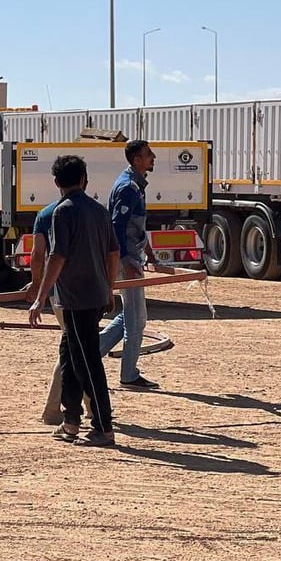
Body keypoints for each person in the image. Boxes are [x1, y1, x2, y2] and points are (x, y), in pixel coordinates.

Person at [28, 155, 119, 447]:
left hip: (78, 299)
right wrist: (109, 289)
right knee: (69, 358)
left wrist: (41, 296)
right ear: (84, 179)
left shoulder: (62, 211)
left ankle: (103, 427)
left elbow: (57, 256)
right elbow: (113, 253)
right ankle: (70, 421)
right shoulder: (99, 211)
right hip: (91, 296)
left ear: (57, 182)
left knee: (88, 363)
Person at [99, 139, 160, 389]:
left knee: (132, 315)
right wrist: (126, 261)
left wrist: (149, 253)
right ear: (137, 160)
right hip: (127, 261)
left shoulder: (135, 185)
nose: (153, 157)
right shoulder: (128, 188)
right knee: (136, 320)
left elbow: (136, 228)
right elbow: (118, 228)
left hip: (131, 258)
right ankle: (129, 375)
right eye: (148, 154)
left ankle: (92, 353)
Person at [27, 198, 92, 426]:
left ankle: (90, 406)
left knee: (76, 347)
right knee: (74, 348)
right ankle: (53, 407)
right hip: (83, 291)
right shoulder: (91, 212)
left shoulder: (46, 214)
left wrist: (37, 285)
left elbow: (38, 255)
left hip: (59, 291)